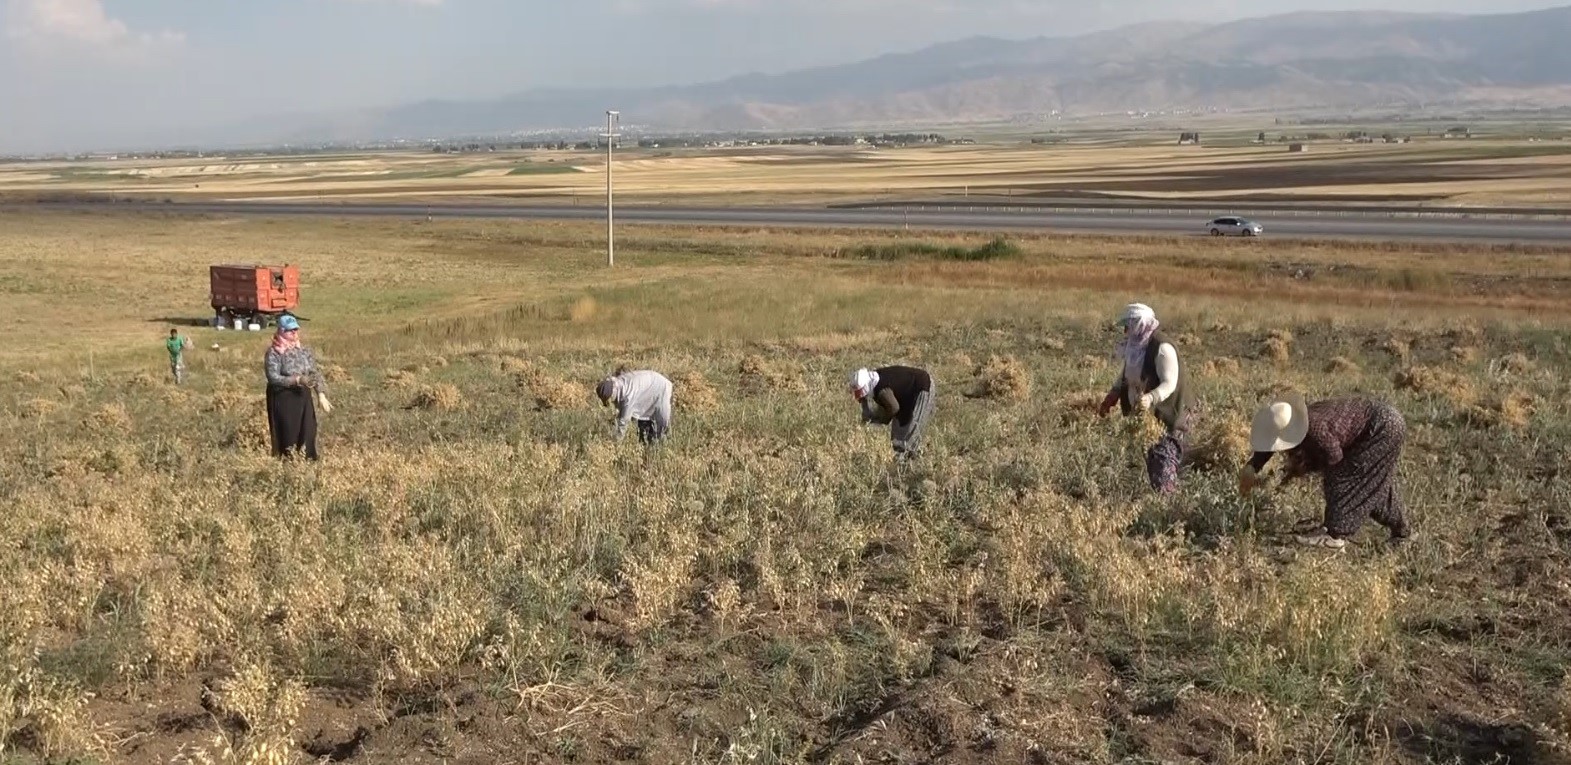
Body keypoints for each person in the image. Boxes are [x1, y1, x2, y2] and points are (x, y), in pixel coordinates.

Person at [1239, 392, 1412, 549]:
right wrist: (1252, 466)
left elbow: (1334, 457)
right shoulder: (1299, 419)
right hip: (1387, 421)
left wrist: (1306, 467)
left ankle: (1334, 535)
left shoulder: (1314, 430)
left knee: (1344, 478)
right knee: (1373, 484)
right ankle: (1403, 533)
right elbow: (1272, 441)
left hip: (1381, 428)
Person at [1097, 302, 1192, 492]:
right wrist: (1113, 395)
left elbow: (1169, 383)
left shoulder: (1162, 347)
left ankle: (1170, 508)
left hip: (1170, 414)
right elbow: (1127, 374)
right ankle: (1168, 496)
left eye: (1128, 325)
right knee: (1153, 457)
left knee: (1163, 459)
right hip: (1147, 417)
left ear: (1139, 324)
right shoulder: (1136, 347)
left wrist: (1150, 398)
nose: (1125, 330)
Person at [264, 314, 330, 460]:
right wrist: (297, 379)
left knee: (309, 431)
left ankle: (308, 464)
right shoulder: (274, 353)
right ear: (280, 331)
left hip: (303, 397)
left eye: (295, 329)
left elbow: (314, 372)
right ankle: (290, 466)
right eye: (289, 330)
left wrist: (320, 393)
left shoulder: (304, 351)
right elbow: (273, 377)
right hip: (284, 398)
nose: (293, 333)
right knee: (289, 435)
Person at [850, 365, 935, 459]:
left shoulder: (882, 390)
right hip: (907, 395)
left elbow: (893, 408)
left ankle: (909, 464)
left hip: (921, 389)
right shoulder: (874, 380)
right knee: (898, 433)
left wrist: (883, 420)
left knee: (907, 437)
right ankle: (910, 459)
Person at [596, 367, 674, 445]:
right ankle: (646, 443)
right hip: (647, 387)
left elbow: (624, 421)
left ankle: (662, 446)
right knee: (643, 427)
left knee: (660, 428)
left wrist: (615, 443)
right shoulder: (618, 384)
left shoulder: (627, 396)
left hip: (661, 387)